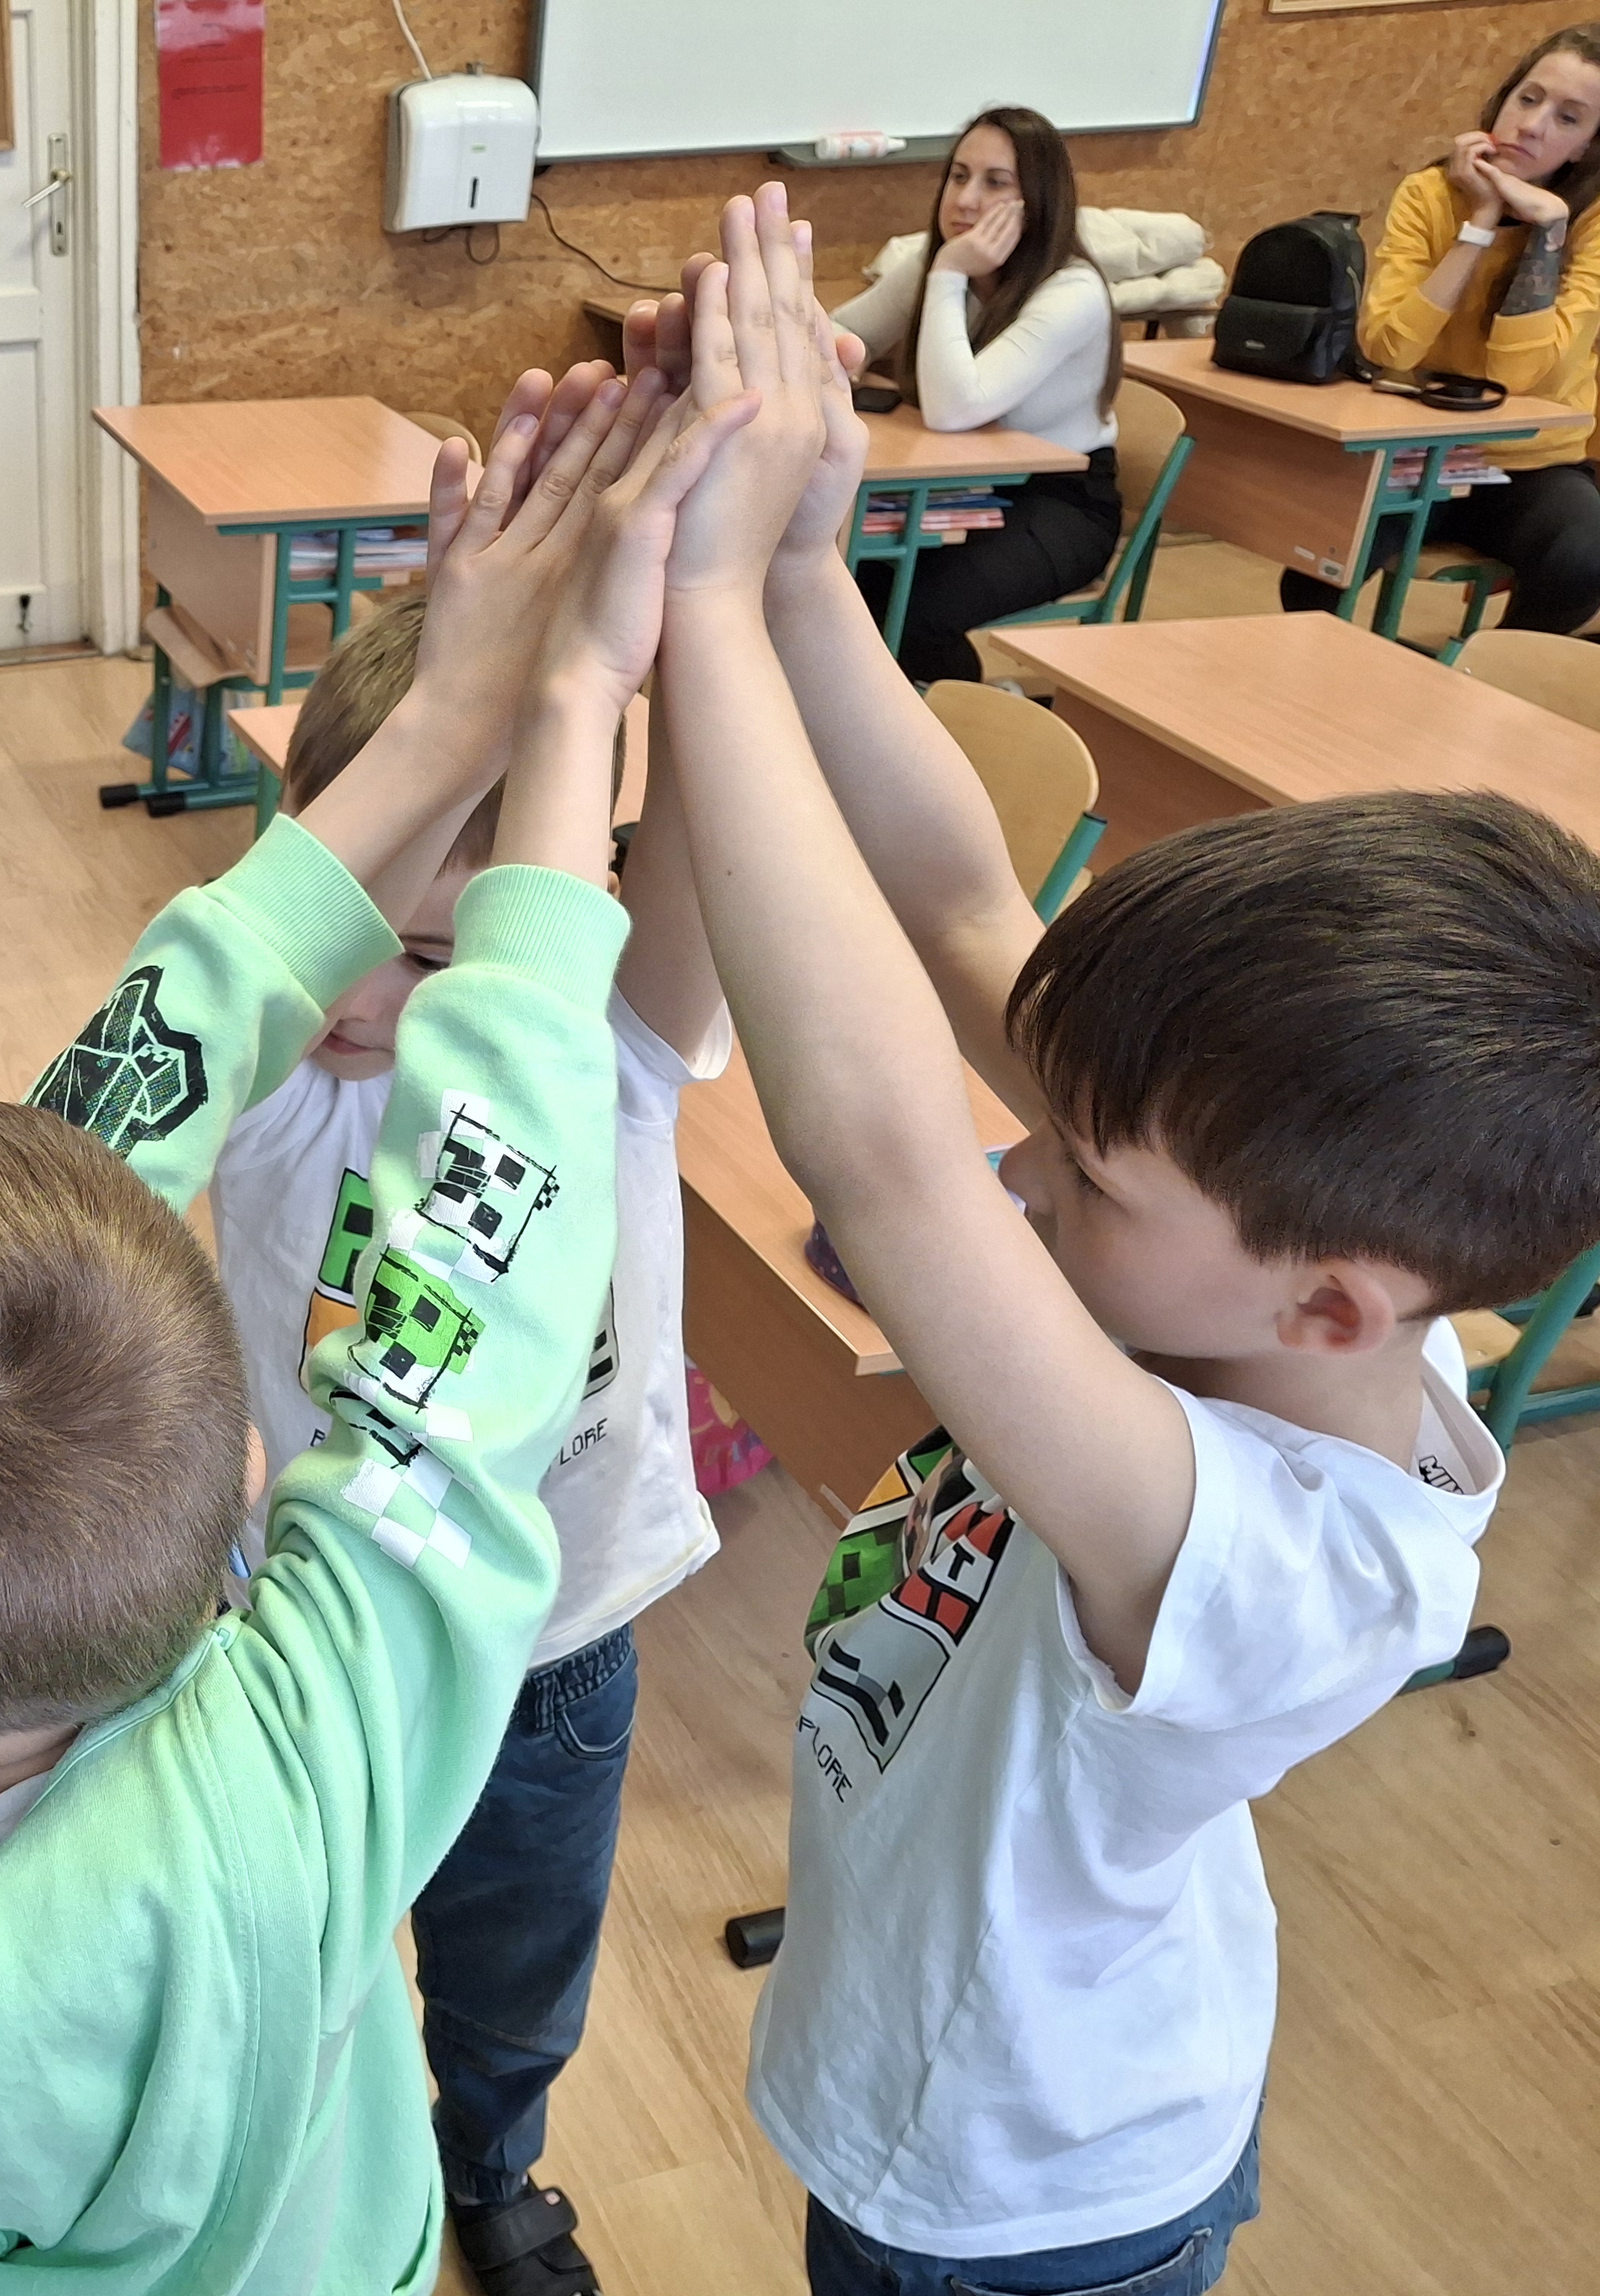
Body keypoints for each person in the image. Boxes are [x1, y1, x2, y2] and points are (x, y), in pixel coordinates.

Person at [0, 357, 748, 2291]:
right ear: (243, 1509)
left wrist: (454, 711)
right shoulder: (265, 1799)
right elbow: (457, 1336)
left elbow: (103, 1162)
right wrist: (570, 690)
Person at [661, 186, 1600, 2296]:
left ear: (1333, 1303)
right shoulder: (1266, 1240)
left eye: (1077, 1178)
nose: (1023, 1177)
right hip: (940, 2078)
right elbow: (963, 906)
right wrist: (801, 574)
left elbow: (893, 1168)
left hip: (1017, 2204)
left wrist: (700, 608)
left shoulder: (1268, 1553)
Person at [212, 580, 727, 2296]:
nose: (360, 988)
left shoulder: (605, 1048)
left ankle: (487, 2162)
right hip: (320, 1641)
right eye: (343, 908)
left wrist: (689, 605)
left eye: (435, 960)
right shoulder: (279, 1080)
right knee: (310, 1949)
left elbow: (703, 850)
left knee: (515, 1976)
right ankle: (313, 2163)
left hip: (553, 1652)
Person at [1284, 23, 1600, 634]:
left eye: (1568, 118)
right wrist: (1480, 223)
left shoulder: (1590, 221)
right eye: (1528, 99)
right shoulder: (1430, 194)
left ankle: (1485, 673)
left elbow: (1518, 376)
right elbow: (1390, 346)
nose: (1532, 126)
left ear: (1587, 147)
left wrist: (1548, 230)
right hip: (1420, 447)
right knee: (1314, 568)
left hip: (1533, 462)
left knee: (1583, 559)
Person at [829, 107, 1122, 684]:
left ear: (1038, 199)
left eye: (995, 183)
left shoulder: (1073, 290)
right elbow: (840, 335)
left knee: (911, 612)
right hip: (954, 487)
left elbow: (953, 408)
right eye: (959, 176)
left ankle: (971, 722)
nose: (965, 200)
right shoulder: (936, 263)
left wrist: (948, 275)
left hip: (1058, 504)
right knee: (832, 581)